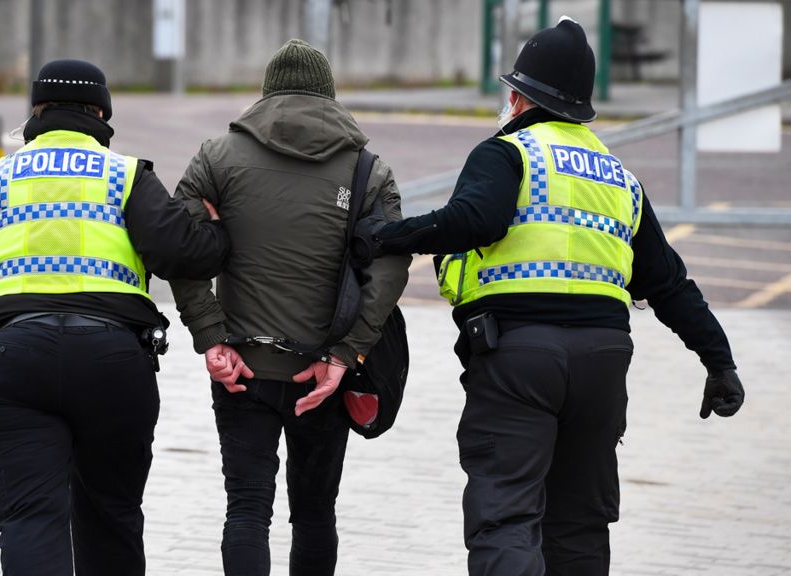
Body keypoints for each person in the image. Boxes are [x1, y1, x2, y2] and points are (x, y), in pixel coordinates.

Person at [357, 18, 745, 576]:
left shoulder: (508, 152)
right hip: (604, 363)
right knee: (580, 526)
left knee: (507, 518)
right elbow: (669, 284)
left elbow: (474, 220)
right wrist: (720, 361)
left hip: (518, 358)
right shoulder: (619, 178)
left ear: (518, 97)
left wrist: (384, 236)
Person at [0, 59, 230, 576]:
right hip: (113, 363)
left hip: (13, 362)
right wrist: (215, 234)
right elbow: (182, 254)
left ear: (36, 112)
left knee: (29, 519)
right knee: (112, 514)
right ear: (102, 114)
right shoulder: (126, 174)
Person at [168, 39, 410, 575]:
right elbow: (390, 269)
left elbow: (179, 250)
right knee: (316, 513)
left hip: (241, 369)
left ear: (266, 93)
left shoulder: (215, 158)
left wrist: (211, 337)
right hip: (321, 373)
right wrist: (345, 354)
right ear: (328, 94)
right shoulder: (368, 171)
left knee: (247, 510)